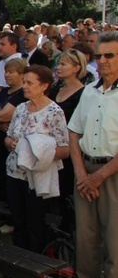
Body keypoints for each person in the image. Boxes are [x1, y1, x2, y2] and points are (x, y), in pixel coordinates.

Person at [62, 31, 118, 278]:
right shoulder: (90, 91)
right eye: (100, 56)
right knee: (86, 235)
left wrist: (99, 177)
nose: (103, 61)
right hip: (85, 170)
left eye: (110, 55)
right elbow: (73, 131)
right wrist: (82, 173)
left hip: (112, 174)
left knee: (114, 239)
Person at [4, 65, 69, 255]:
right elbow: (7, 136)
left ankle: (34, 263)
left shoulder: (54, 112)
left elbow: (64, 150)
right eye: (24, 82)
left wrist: (36, 151)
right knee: (18, 219)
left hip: (37, 176)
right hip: (15, 172)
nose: (24, 86)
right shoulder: (21, 108)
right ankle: (17, 260)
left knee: (34, 222)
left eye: (29, 83)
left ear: (44, 86)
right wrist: (11, 143)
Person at [48, 49, 87, 232]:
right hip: (50, 148)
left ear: (76, 68)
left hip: (70, 150)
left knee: (65, 192)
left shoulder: (83, 94)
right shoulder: (55, 88)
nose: (59, 67)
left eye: (64, 64)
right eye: (59, 63)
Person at [0, 58, 27, 201]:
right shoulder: (3, 92)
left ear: (21, 74)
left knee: (4, 176)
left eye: (11, 72)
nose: (7, 75)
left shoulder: (21, 95)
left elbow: (3, 116)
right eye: (6, 71)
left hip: (7, 144)